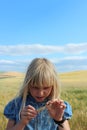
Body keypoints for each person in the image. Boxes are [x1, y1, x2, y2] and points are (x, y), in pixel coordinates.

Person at [4, 58, 72, 130]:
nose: (40, 93)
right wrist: (22, 122)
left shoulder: (59, 107)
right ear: (27, 84)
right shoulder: (16, 105)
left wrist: (59, 119)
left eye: (46, 88)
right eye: (35, 87)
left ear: (53, 85)